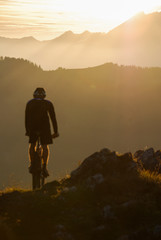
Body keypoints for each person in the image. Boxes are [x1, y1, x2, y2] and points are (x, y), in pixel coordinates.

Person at [25, 87, 59, 177]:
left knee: (32, 145)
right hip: (45, 128)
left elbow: (27, 118)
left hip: (33, 128)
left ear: (34, 95)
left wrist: (27, 131)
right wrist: (55, 132)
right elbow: (53, 118)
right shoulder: (48, 103)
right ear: (44, 95)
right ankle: (44, 167)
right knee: (45, 146)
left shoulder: (30, 103)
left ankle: (32, 164)